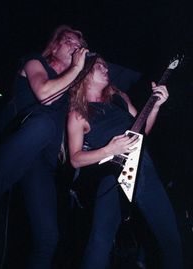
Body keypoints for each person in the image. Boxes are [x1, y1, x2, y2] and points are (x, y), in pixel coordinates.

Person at [67, 57, 183, 269]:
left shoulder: (120, 98)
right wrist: (109, 150)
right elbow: (75, 159)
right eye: (98, 65)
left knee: (170, 238)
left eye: (105, 64)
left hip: (143, 166)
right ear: (83, 76)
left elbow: (142, 132)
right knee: (100, 241)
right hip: (110, 175)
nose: (105, 67)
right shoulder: (78, 114)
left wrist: (155, 107)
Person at [0, 25, 89, 269]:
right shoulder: (34, 62)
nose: (75, 46)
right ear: (54, 46)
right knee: (43, 125)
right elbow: (45, 94)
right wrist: (77, 68)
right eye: (68, 41)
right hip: (18, 141)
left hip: (41, 163)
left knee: (47, 238)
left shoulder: (69, 90)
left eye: (79, 44)